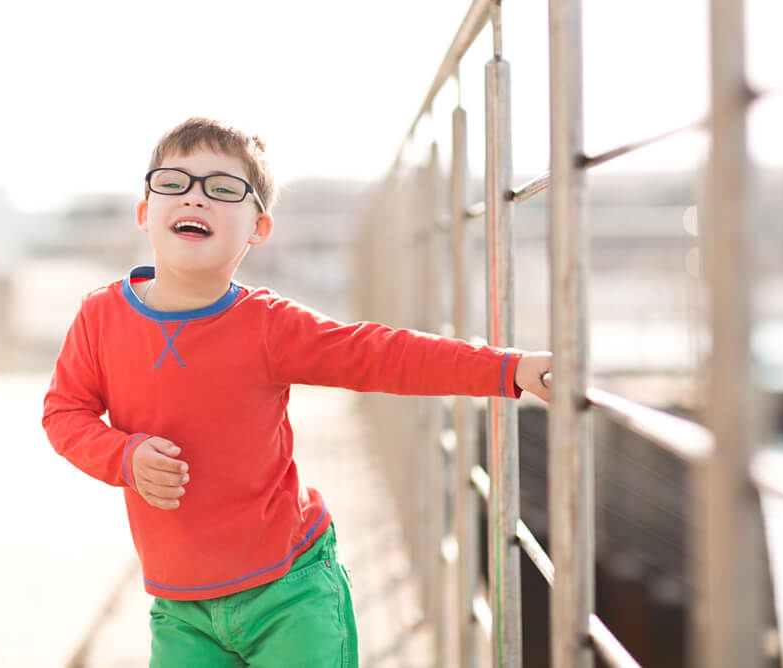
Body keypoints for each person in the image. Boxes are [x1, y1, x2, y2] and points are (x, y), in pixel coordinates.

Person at [42, 117, 552, 667]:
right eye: (174, 182)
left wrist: (508, 368)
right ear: (145, 211)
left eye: (223, 188)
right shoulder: (101, 317)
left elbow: (378, 353)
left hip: (290, 591)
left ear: (259, 227)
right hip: (178, 607)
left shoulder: (268, 324)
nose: (195, 198)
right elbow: (64, 413)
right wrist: (123, 455)